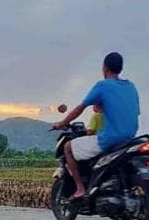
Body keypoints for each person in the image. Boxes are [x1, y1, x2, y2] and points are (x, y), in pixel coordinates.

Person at [54, 52, 139, 200]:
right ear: (120, 68)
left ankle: (80, 189)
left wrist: (62, 123)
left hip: (110, 139)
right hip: (130, 139)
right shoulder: (131, 86)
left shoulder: (102, 86)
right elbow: (134, 112)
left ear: (105, 68)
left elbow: (80, 108)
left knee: (68, 147)